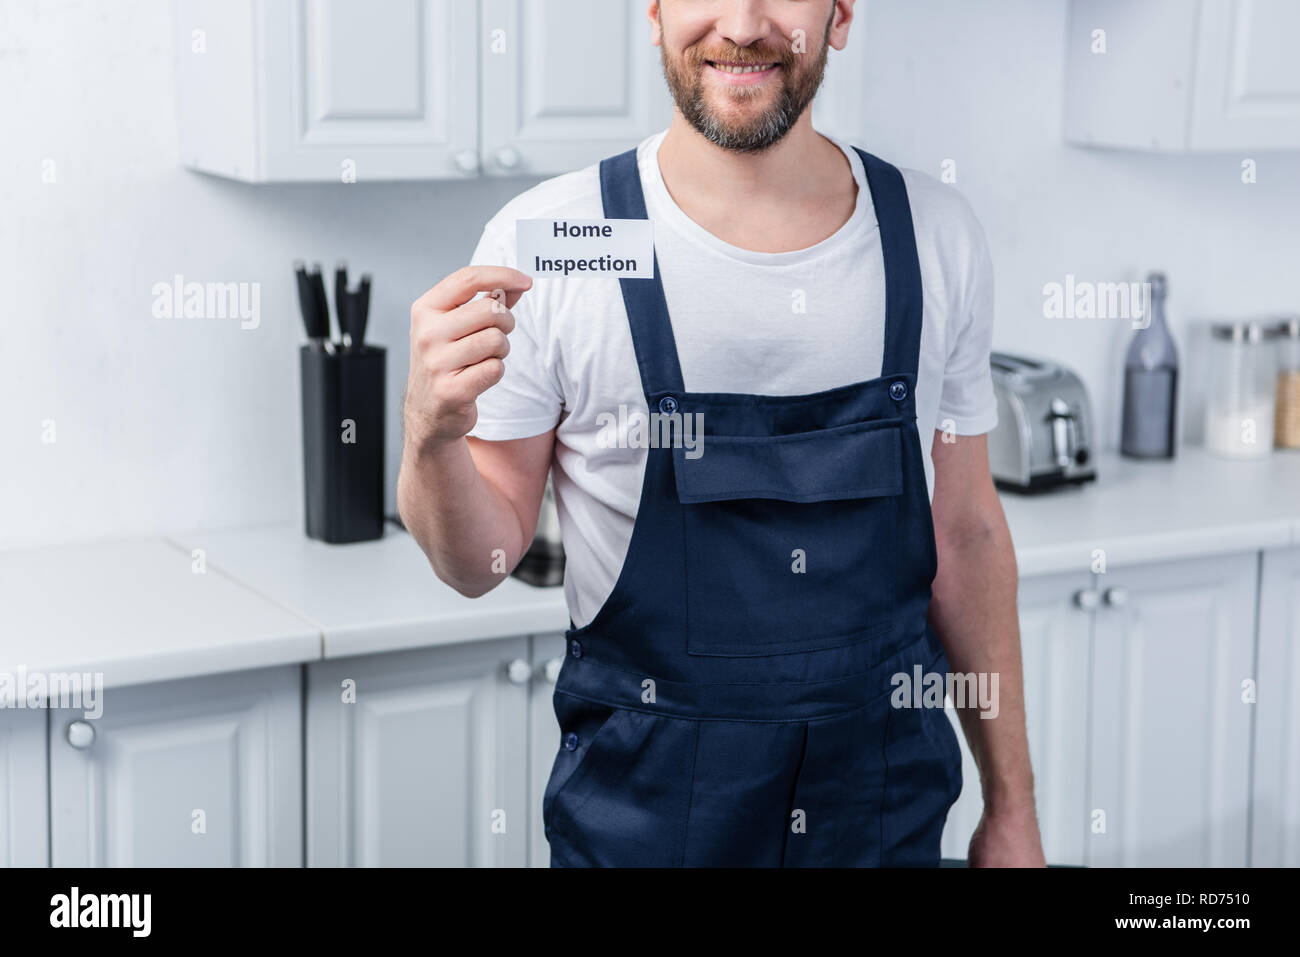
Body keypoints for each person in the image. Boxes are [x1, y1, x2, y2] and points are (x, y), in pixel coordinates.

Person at [398, 0, 1046, 867]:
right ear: (656, 11)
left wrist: (1012, 807)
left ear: (842, 13)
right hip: (644, 825)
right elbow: (477, 564)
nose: (742, 24)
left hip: (883, 819)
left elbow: (964, 534)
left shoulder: (934, 236)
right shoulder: (561, 245)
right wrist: (429, 438)